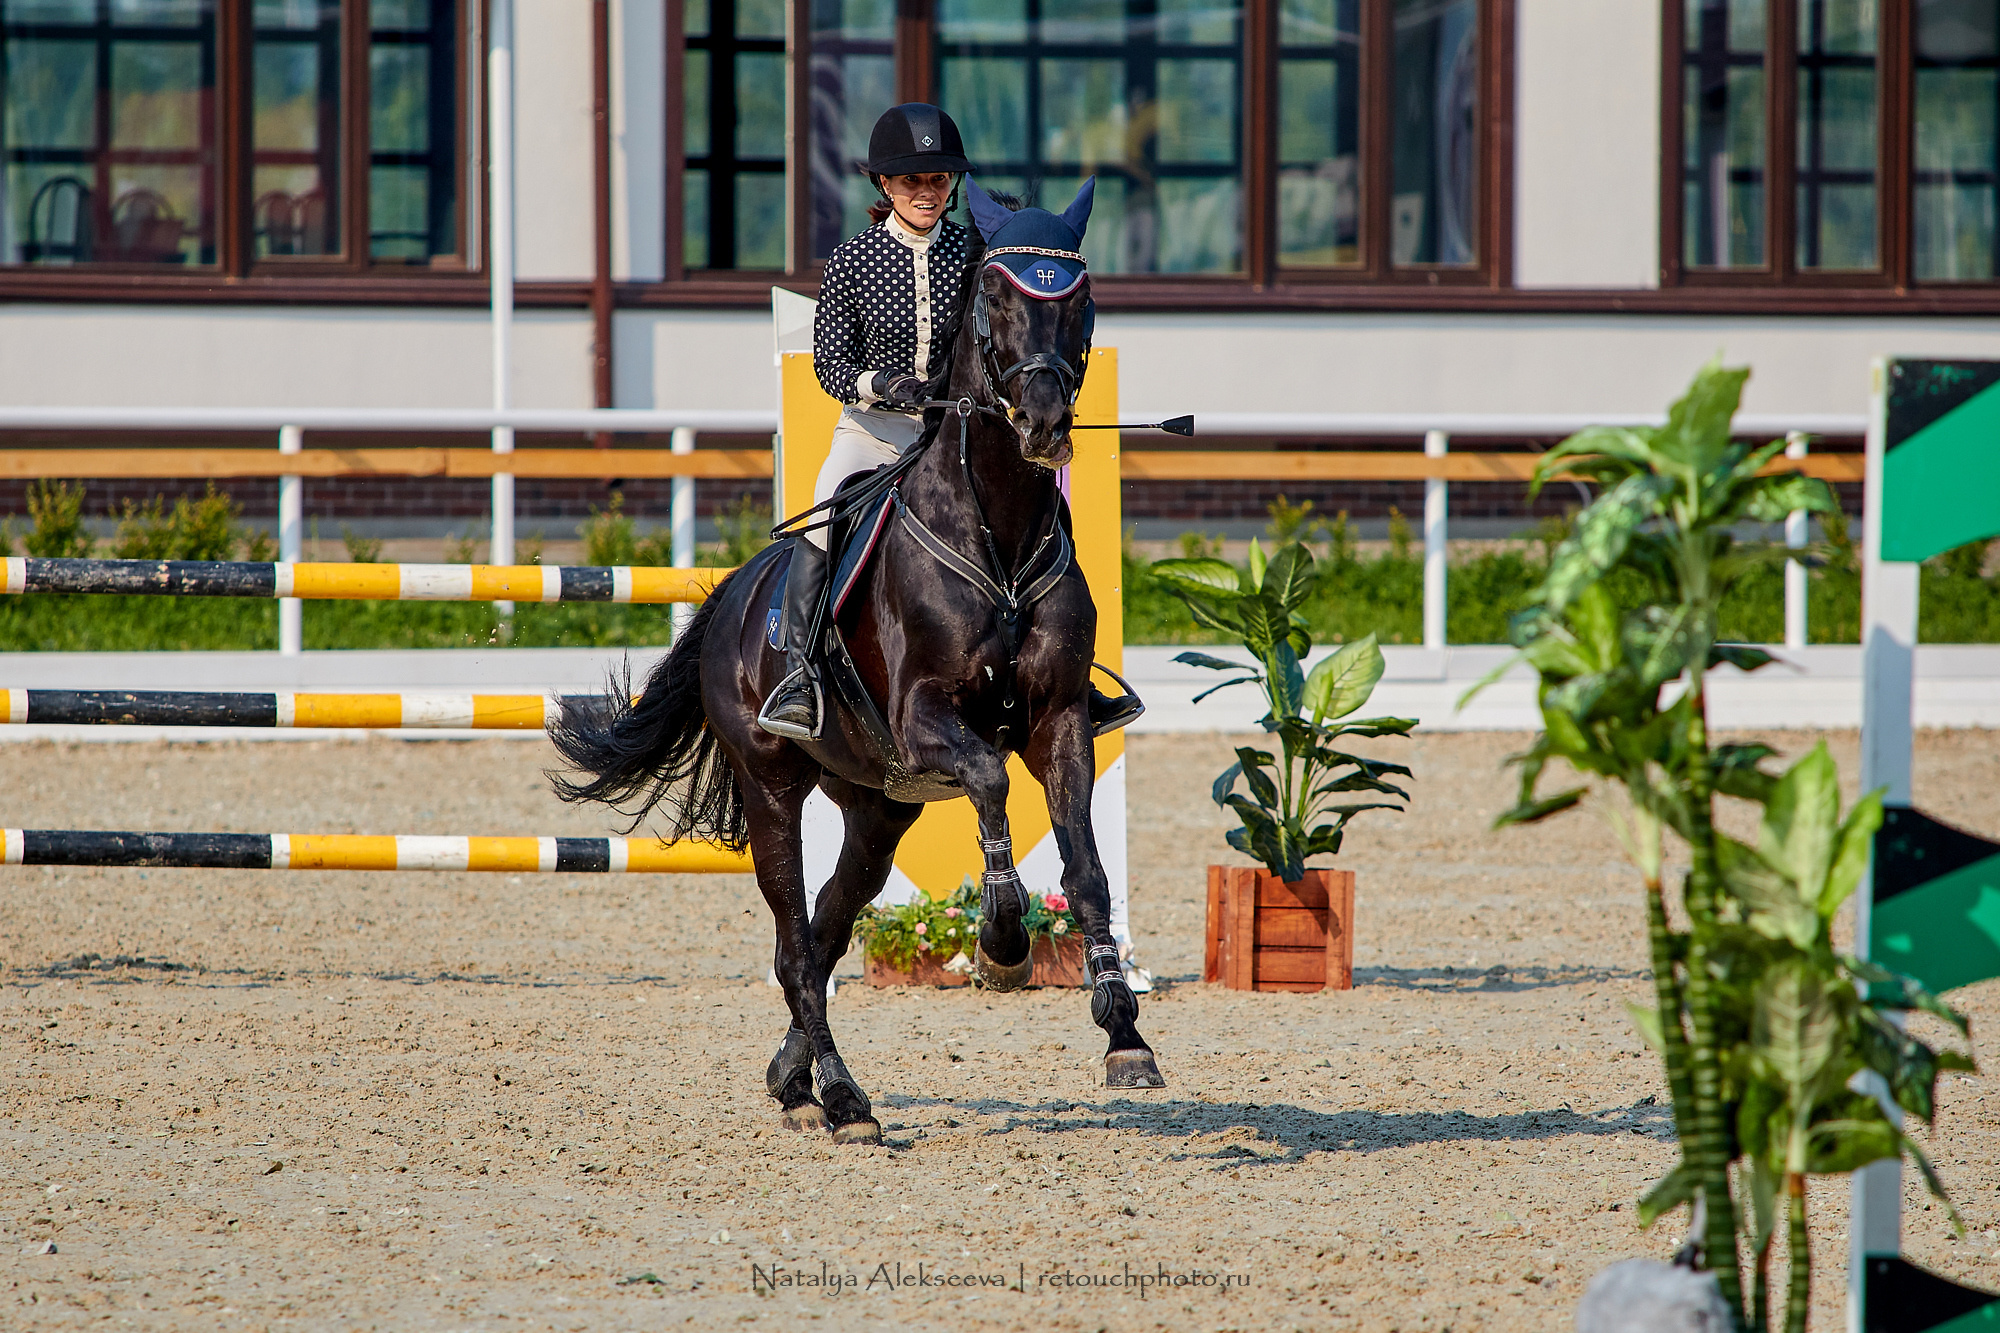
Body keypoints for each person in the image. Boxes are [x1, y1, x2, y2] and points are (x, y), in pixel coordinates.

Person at [756, 102, 1143, 743]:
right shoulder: (852, 260)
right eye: (913, 182)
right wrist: (882, 384)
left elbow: (1021, 295)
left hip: (953, 440)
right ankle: (800, 674)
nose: (927, 193)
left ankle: (1077, 679)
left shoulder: (973, 252)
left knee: (1046, 514)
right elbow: (830, 365)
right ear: (886, 186)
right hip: (874, 436)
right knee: (825, 513)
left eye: (938, 182)